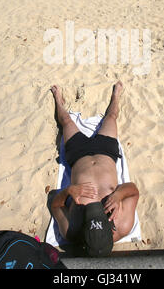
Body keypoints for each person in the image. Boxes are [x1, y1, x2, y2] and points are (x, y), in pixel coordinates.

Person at [50, 81, 139, 257]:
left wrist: (68, 191)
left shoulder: (72, 231)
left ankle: (58, 99)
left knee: (66, 121)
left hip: (78, 156)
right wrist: (118, 195)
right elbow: (134, 190)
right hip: (106, 153)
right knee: (112, 117)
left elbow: (54, 204)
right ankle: (116, 95)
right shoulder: (124, 225)